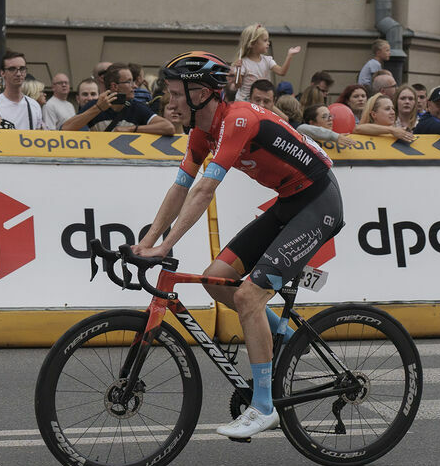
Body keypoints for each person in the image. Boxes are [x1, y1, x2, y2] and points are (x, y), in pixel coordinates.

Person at [132, 51, 343, 439]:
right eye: (170, 93)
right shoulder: (201, 131)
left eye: (178, 93)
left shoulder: (239, 119)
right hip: (288, 202)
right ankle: (289, 338)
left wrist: (166, 247)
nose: (170, 101)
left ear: (203, 94)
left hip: (318, 202)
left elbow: (204, 191)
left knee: (248, 297)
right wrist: (145, 242)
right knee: (216, 280)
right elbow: (180, 187)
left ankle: (263, 407)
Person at [61, 64, 174, 134]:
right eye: (128, 81)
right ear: (115, 86)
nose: (134, 86)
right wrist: (98, 108)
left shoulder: (135, 107)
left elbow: (168, 127)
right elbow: (66, 128)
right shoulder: (96, 105)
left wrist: (131, 129)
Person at [231, 24, 300, 101]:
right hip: (244, 101)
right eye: (265, 40)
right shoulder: (243, 62)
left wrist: (289, 56)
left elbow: (281, 72)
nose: (268, 43)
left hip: (262, 100)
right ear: (252, 43)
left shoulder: (267, 60)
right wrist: (238, 70)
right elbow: (238, 85)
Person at [0, 50, 44, 130]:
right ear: (2, 73)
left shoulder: (34, 105)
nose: (18, 74)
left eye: (22, 69)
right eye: (12, 69)